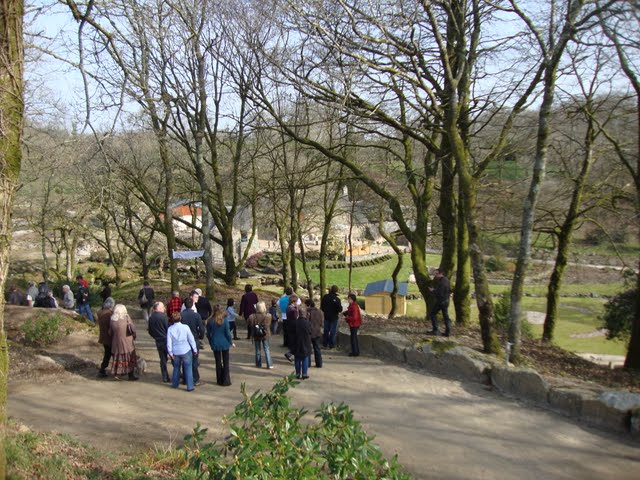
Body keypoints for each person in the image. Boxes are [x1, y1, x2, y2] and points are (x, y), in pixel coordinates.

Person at [167, 309, 198, 391]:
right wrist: (194, 349)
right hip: (186, 350)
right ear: (180, 318)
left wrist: (170, 353)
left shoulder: (170, 329)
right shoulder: (185, 327)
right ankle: (190, 386)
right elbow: (191, 339)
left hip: (176, 351)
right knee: (188, 368)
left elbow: (169, 343)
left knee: (176, 368)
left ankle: (175, 384)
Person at [207, 304, 235, 386]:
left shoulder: (210, 321)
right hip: (225, 343)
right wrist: (231, 342)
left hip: (215, 343)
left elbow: (208, 334)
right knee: (226, 362)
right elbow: (228, 333)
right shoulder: (225, 320)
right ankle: (226, 380)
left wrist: (210, 342)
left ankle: (219, 379)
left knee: (218, 362)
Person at [109, 304, 138, 381]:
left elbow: (110, 332)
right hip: (127, 342)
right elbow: (133, 329)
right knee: (129, 358)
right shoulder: (126, 317)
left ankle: (117, 374)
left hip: (116, 342)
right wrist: (134, 336)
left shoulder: (112, 319)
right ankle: (131, 375)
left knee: (118, 358)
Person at [180, 297, 205, 385]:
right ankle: (195, 379)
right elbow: (201, 328)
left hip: (183, 340)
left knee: (185, 359)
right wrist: (201, 336)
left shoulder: (181, 315)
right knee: (194, 359)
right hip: (194, 338)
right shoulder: (196, 315)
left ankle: (186, 378)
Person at [148, 301, 170, 383]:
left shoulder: (151, 318)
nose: (164, 308)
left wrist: (156, 336)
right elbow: (168, 329)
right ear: (159, 308)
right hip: (166, 340)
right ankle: (178, 374)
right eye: (163, 307)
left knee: (163, 359)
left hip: (158, 340)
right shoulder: (164, 317)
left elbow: (150, 331)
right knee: (174, 358)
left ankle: (165, 376)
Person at [248, 301, 273, 369]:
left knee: (257, 350)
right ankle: (269, 364)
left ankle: (258, 364)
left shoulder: (252, 316)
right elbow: (269, 325)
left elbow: (249, 324)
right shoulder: (268, 315)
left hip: (256, 334)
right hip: (265, 334)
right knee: (266, 349)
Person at [292, 298, 312, 380]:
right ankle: (304, 373)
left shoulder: (295, 323)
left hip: (297, 342)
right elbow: (310, 332)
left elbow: (292, 332)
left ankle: (297, 373)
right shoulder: (307, 323)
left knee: (297, 358)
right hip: (305, 342)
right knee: (305, 358)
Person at [429, 268, 452, 337]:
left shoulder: (442, 282)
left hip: (441, 301)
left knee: (433, 314)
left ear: (441, 273)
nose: (435, 275)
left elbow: (440, 293)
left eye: (436, 274)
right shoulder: (446, 280)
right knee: (445, 316)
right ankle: (448, 331)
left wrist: (433, 291)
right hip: (446, 301)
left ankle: (435, 330)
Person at [96, 297, 115, 378]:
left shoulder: (100, 312)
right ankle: (105, 369)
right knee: (111, 354)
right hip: (110, 337)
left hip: (103, 337)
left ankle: (103, 369)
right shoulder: (110, 314)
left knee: (107, 354)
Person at [305, 299, 323, 368]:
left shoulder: (308, 312)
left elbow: (306, 322)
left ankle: (308, 363)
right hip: (317, 331)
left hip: (309, 332)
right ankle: (319, 363)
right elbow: (321, 322)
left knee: (308, 348)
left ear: (308, 305)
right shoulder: (319, 312)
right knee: (317, 348)